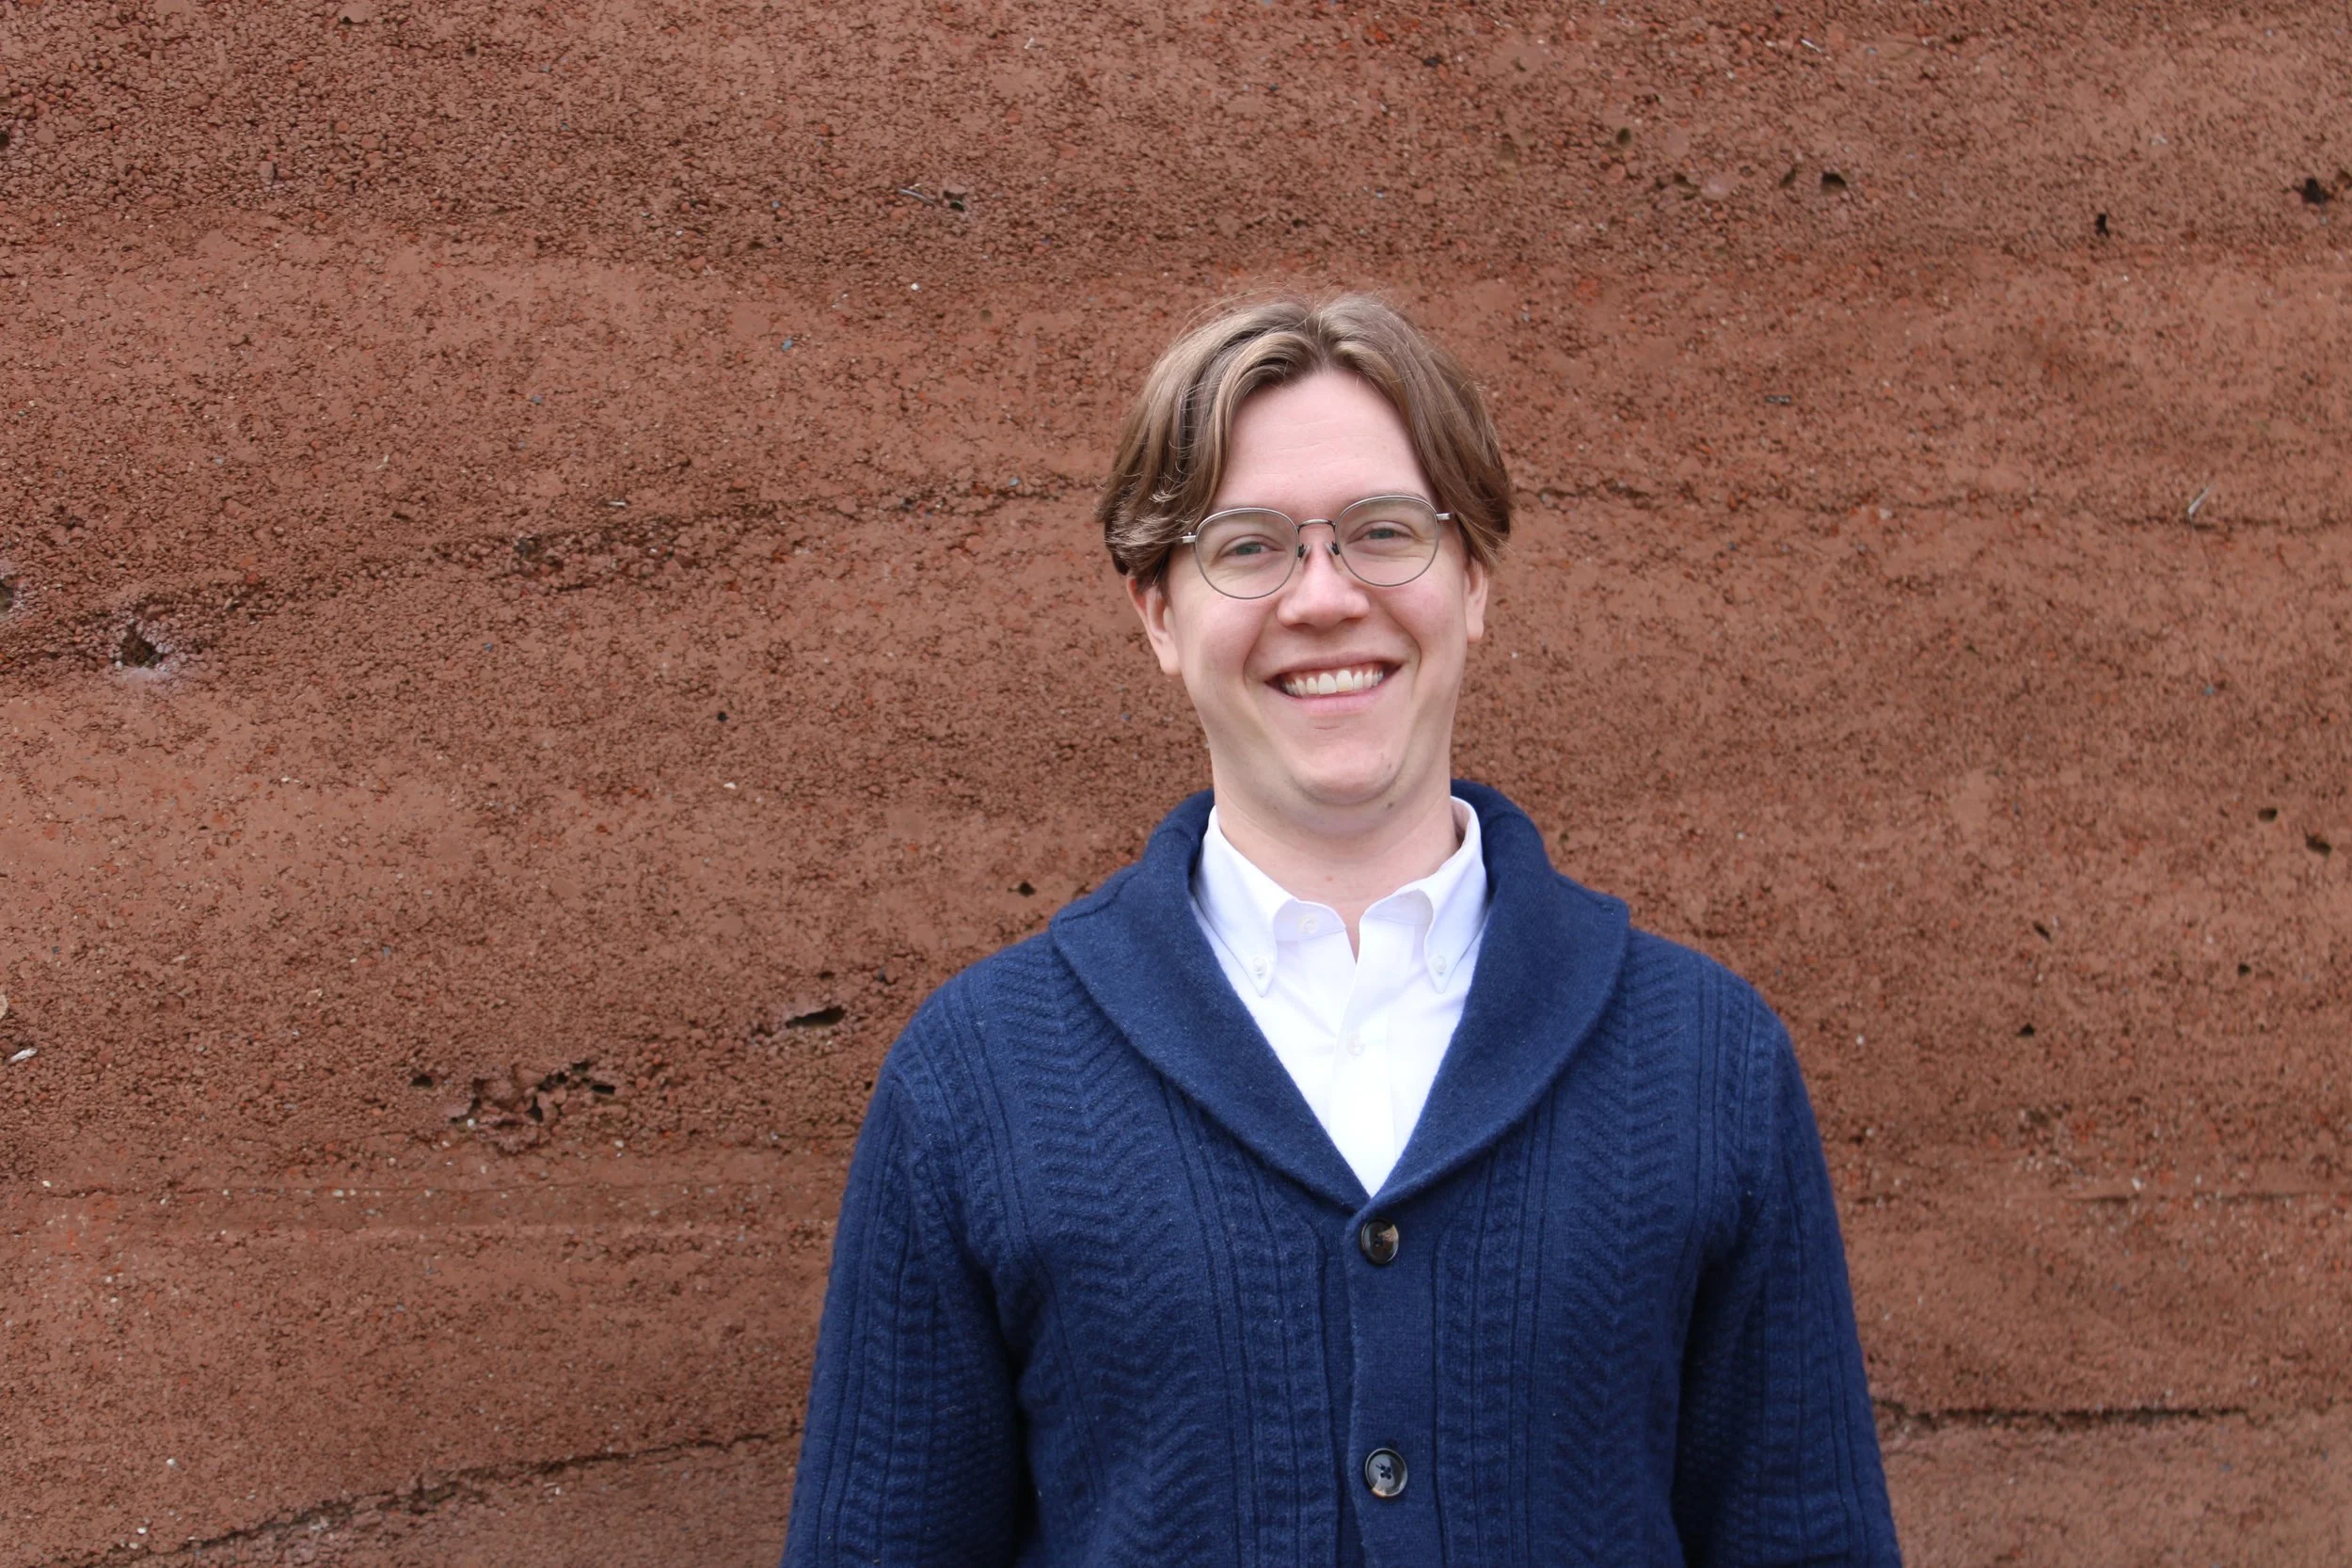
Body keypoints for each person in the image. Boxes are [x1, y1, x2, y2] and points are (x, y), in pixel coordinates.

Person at [781, 294, 1901, 1566]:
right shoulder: (978, 1080)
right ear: (1158, 611)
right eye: (1249, 547)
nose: (1325, 599)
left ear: (1473, 579)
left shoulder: (1706, 1063)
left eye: (1383, 533)